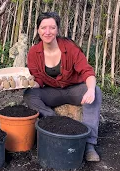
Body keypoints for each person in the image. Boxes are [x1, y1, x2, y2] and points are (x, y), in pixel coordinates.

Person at [23, 12, 102, 162]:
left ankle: (89, 145)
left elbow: (87, 71)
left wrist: (90, 89)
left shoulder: (69, 48)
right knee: (29, 94)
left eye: (52, 27)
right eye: (43, 28)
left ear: (57, 30)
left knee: (96, 91)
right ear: (38, 30)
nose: (47, 32)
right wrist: (27, 84)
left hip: (74, 90)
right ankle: (52, 121)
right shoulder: (34, 52)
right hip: (51, 91)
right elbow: (38, 80)